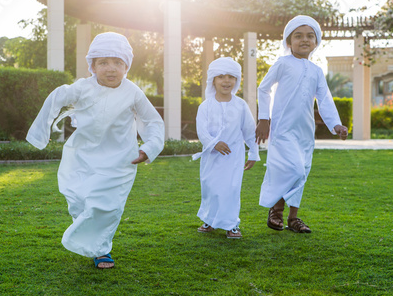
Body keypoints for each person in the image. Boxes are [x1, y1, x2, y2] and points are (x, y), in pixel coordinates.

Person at [26, 32, 164, 269]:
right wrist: (41, 133)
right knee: (79, 201)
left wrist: (149, 148)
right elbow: (58, 96)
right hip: (83, 157)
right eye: (104, 62)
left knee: (108, 205)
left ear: (126, 66)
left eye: (118, 62)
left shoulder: (132, 91)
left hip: (121, 159)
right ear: (93, 65)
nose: (111, 69)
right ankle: (89, 235)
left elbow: (153, 121)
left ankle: (101, 250)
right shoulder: (82, 87)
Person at [255, 15, 348, 234]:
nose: (304, 40)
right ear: (288, 42)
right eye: (298, 36)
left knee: (303, 170)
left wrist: (336, 125)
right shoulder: (282, 63)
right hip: (282, 129)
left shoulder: (316, 71)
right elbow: (263, 88)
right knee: (293, 168)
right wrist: (263, 119)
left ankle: (293, 219)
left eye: (309, 36)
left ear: (316, 42)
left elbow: (325, 99)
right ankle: (276, 209)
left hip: (305, 131)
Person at [192, 57, 260, 239]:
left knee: (231, 189)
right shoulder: (205, 106)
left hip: (233, 157)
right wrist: (214, 143)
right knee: (210, 188)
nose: (226, 81)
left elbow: (249, 131)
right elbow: (201, 130)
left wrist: (253, 152)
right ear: (213, 80)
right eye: (221, 76)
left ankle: (232, 224)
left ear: (236, 80)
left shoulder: (240, 105)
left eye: (231, 76)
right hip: (211, 157)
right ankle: (209, 220)